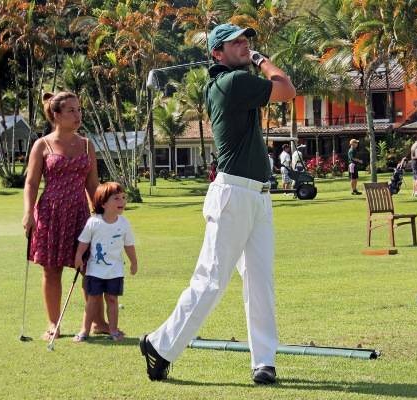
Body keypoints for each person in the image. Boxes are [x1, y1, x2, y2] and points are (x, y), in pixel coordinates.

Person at [139, 23, 296, 385]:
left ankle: (264, 361)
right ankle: (160, 346)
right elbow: (287, 89)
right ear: (217, 54)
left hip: (256, 195)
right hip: (234, 194)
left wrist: (250, 57)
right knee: (210, 281)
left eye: (247, 41)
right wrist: (260, 59)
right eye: (236, 42)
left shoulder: (231, 82)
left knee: (260, 282)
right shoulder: (232, 82)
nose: (245, 45)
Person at [22, 91, 108, 340]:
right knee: (51, 270)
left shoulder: (87, 145)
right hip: (50, 214)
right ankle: (53, 323)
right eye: (71, 110)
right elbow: (31, 183)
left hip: (81, 214)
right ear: (56, 115)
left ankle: (98, 322)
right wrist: (28, 213)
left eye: (79, 109)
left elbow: (93, 185)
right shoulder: (43, 145)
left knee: (90, 268)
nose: (77, 114)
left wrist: (101, 215)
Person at [73, 182, 137, 342]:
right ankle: (84, 330)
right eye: (116, 198)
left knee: (112, 300)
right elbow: (83, 242)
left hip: (115, 272)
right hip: (95, 271)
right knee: (93, 300)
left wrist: (134, 262)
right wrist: (78, 256)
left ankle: (113, 330)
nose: (122, 201)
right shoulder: (94, 222)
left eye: (123, 197)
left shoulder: (124, 224)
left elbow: (129, 245)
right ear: (103, 203)